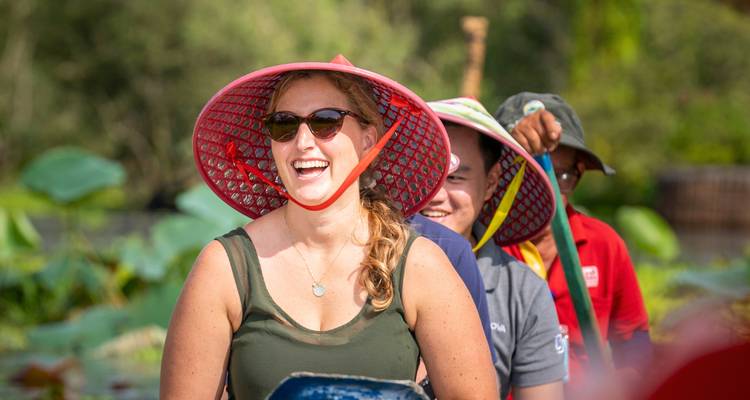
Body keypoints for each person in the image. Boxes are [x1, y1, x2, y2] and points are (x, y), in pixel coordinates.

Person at [160, 56, 497, 399]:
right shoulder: (222, 268)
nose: (303, 142)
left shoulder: (421, 265)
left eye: (325, 122)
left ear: (368, 139)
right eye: (284, 125)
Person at [495, 92, 652, 390]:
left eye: (561, 175)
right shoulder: (478, 244)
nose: (545, 189)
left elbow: (634, 342)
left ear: (578, 174)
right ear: (496, 175)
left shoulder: (605, 244)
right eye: (530, 173)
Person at [420, 97, 565, 400]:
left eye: (455, 178)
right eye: (426, 175)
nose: (436, 195)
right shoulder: (363, 261)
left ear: (490, 183)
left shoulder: (523, 292)